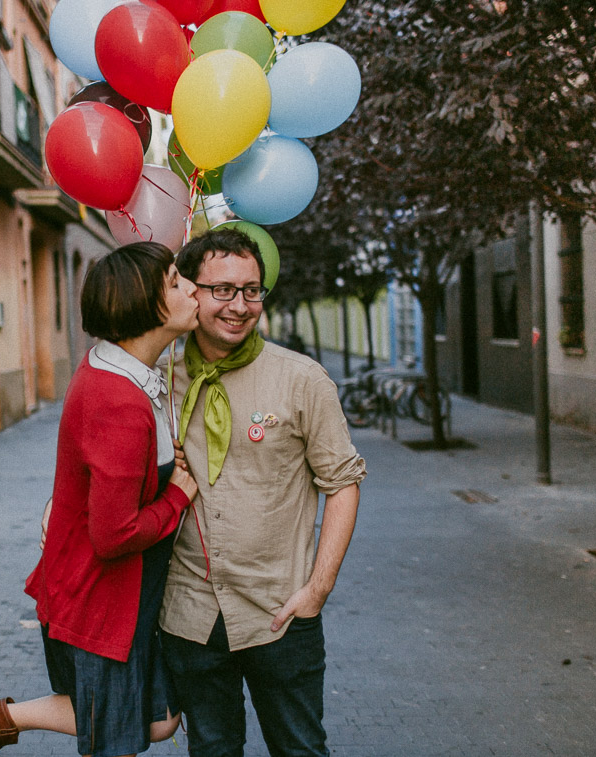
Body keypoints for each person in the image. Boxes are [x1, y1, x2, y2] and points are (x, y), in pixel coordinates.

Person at [0, 242, 200, 757]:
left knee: (157, 720)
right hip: (101, 600)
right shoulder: (118, 399)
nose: (193, 290)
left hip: (121, 596)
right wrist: (177, 497)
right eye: (177, 283)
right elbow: (113, 536)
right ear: (145, 305)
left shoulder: (123, 372)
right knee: (117, 736)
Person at [159, 228, 366, 757]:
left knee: (300, 749)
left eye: (252, 290)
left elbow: (342, 484)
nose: (240, 305)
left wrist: (316, 590)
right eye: (223, 289)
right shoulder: (159, 379)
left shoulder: (302, 380)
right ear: (190, 291)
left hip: (282, 612)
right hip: (191, 613)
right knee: (212, 750)